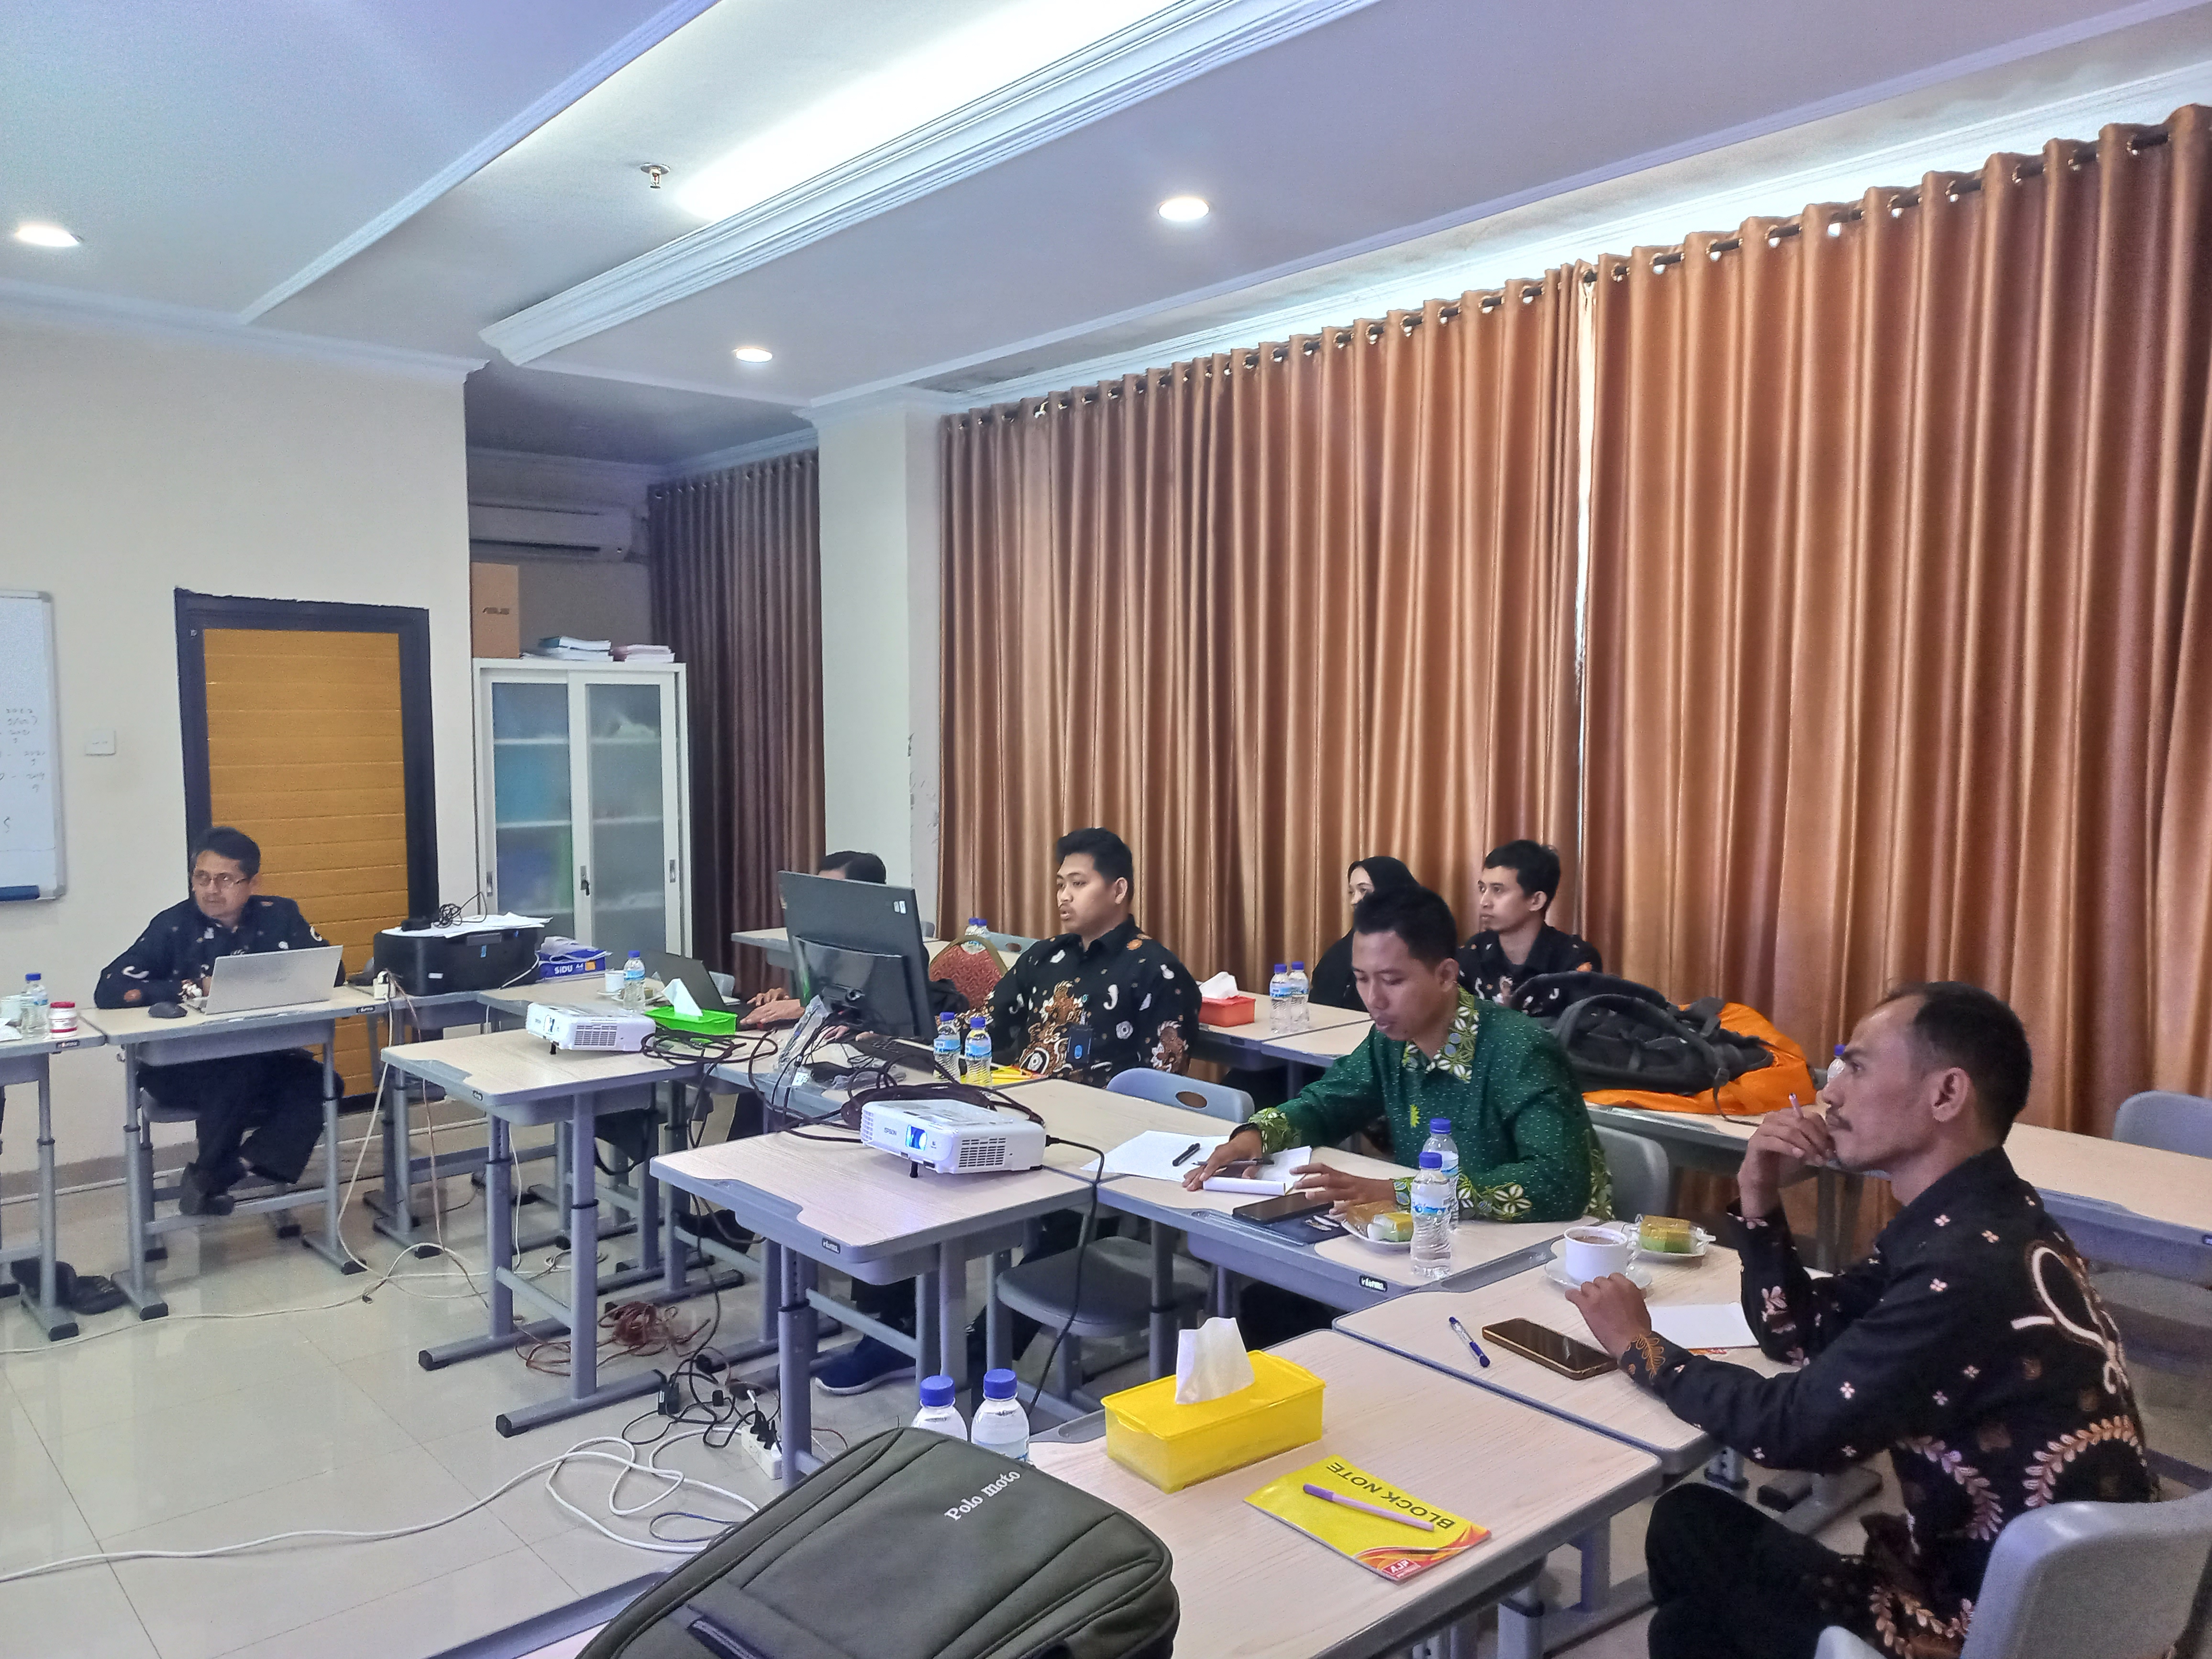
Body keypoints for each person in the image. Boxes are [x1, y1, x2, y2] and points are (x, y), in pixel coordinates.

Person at [1565, 983, 2155, 1659]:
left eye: (1858, 1066)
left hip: (1990, 1630)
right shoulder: (1987, 1218)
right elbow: (1799, 1335)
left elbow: (1791, 1432)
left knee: (1688, 1571)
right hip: (2034, 1601)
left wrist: (1640, 1345)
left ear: (1946, 1094)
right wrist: (1757, 1193)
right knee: (1687, 1571)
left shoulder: (1967, 1269)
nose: (1831, 1091)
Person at [1185, 883, 1610, 1221]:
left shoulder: (1520, 1050)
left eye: (1392, 981)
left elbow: (1557, 1183)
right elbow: (1327, 1104)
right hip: (1432, 1237)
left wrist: (1400, 1193)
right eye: (1362, 979)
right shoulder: (1391, 1040)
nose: (1374, 1000)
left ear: (1446, 975)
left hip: (1546, 1252)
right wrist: (1255, 1138)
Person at [94, 826, 337, 1217]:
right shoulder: (173, 926)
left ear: (253, 883)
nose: (211, 889)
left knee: (321, 1084)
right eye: (201, 877)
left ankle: (222, 1173)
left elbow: (332, 972)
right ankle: (212, 1178)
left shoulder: (280, 916)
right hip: (178, 1069)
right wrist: (192, 987)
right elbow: (109, 989)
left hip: (262, 1059)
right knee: (238, 1072)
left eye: (225, 879)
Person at [986, 828, 1202, 1080]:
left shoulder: (1157, 971)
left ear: (1119, 891)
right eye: (1060, 885)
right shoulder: (1044, 955)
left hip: (1097, 1103)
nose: (1064, 896)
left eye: (1078, 884)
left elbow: (1159, 1085)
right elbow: (988, 1025)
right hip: (1018, 1095)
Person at [741, 849, 892, 1028]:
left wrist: (807, 1007)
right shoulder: (819, 939)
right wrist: (786, 998)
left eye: (832, 892)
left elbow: (879, 1012)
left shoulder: (888, 949)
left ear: (865, 897)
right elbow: (819, 994)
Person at [1458, 839, 1601, 1003]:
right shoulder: (1473, 952)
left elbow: (1586, 1018)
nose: (1484, 902)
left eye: (1498, 890)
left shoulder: (1574, 960)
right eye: (1482, 889)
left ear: (1536, 901)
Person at [1309, 856, 1419, 1011]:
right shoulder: (1341, 951)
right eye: (1352, 892)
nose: (1354, 900)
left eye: (1364, 890)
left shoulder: (1421, 946)